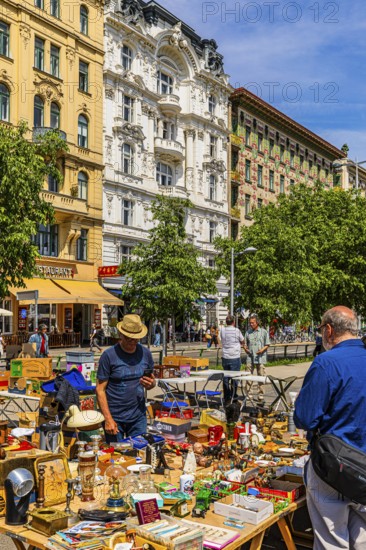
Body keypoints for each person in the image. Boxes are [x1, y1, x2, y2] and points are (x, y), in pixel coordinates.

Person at [294, 306, 366, 549]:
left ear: (328, 330)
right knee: (362, 539)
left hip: (332, 466)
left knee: (331, 542)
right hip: (363, 463)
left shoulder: (326, 363)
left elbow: (305, 418)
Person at [96, 314, 156, 441]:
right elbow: (100, 389)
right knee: (116, 457)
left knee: (140, 453)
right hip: (115, 416)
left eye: (136, 339)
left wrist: (151, 384)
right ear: (121, 335)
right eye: (129, 339)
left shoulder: (145, 354)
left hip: (138, 416)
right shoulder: (109, 355)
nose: (133, 342)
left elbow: (152, 381)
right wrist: (108, 419)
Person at [244, 314, 270, 401]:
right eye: (250, 323)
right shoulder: (248, 332)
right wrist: (245, 349)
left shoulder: (263, 332)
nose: (251, 324)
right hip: (250, 357)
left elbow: (267, 344)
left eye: (253, 323)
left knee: (261, 376)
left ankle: (261, 394)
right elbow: (244, 344)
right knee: (248, 376)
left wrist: (262, 350)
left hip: (260, 357)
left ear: (257, 323)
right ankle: (249, 394)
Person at [220, 315, 244, 403]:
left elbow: (222, 340)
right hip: (235, 356)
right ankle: (233, 396)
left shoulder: (222, 330)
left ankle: (227, 397)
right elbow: (242, 340)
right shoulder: (236, 330)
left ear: (226, 322)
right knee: (235, 378)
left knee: (226, 378)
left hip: (225, 357)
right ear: (233, 322)